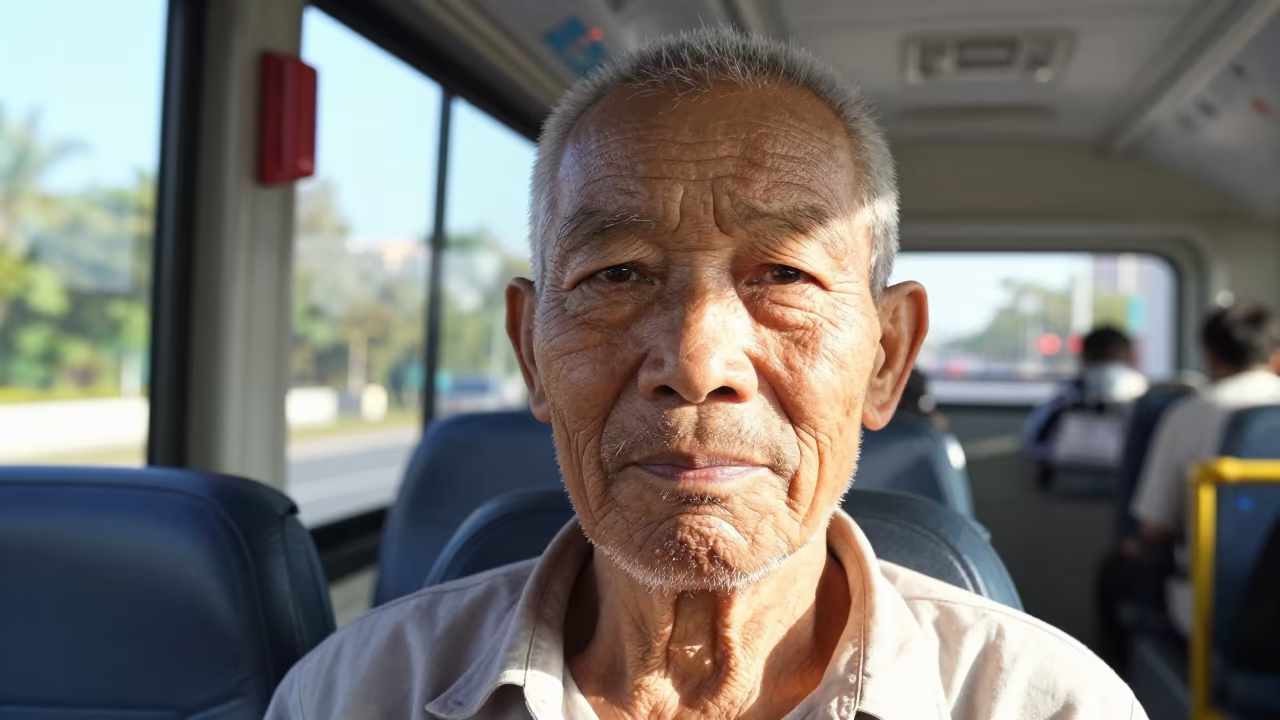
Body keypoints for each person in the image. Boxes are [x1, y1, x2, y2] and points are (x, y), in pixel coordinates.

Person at [266, 29, 1144, 720]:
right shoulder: (350, 695)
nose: (695, 363)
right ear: (531, 349)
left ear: (886, 358)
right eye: (616, 275)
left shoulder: (1049, 703)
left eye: (784, 276)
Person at [1098, 302, 1280, 666]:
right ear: (1275, 355)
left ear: (1211, 356)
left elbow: (1156, 527)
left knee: (1112, 573)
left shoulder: (1187, 415)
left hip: (1220, 607)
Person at [1023, 326, 1149, 465]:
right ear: (1129, 356)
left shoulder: (1063, 400)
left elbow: (1033, 444)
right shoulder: (1147, 403)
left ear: (1084, 357)